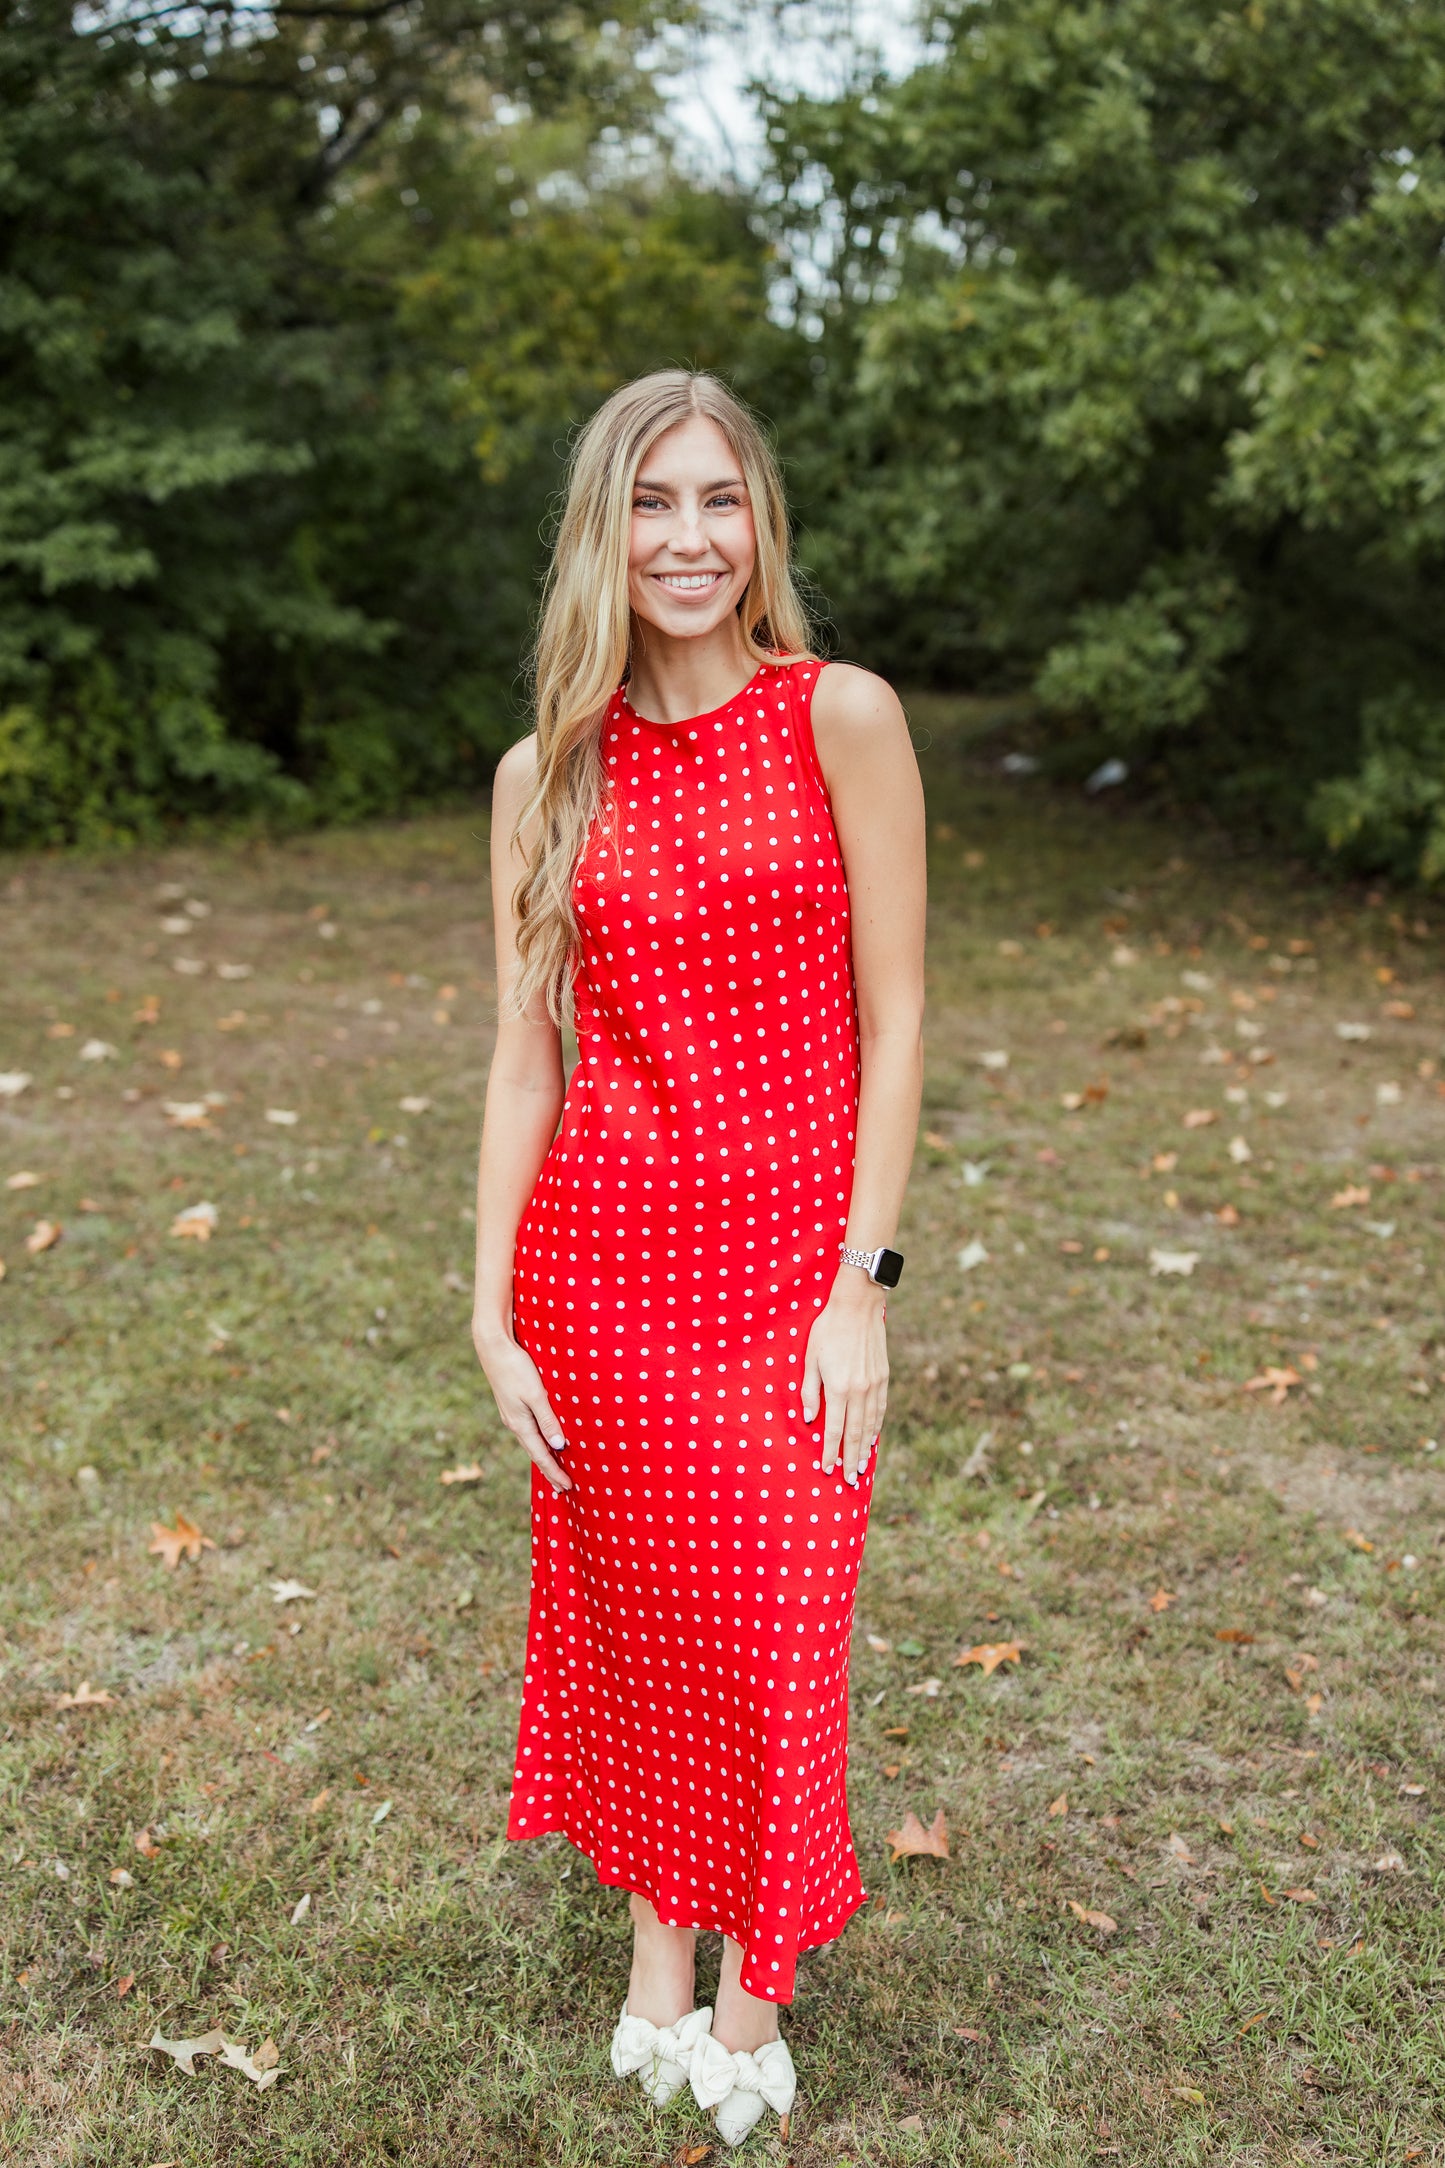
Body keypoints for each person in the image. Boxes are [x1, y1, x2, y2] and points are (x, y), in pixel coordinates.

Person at [471, 368, 925, 2146]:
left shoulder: (842, 717)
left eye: (717, 501)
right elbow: (526, 1053)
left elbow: (894, 1021)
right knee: (647, 1622)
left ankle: (759, 1986)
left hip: (789, 1267)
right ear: (603, 529)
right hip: (605, 1263)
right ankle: (660, 1956)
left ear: (761, 530)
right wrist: (488, 1300)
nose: (685, 538)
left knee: (774, 1630)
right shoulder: (545, 771)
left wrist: (860, 1285)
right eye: (650, 503)